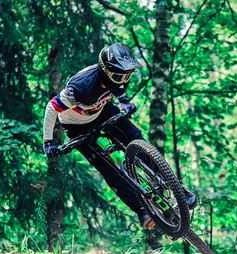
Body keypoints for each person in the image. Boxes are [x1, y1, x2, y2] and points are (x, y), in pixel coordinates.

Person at [42, 43, 197, 230]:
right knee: (110, 171)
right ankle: (143, 211)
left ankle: (176, 188)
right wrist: (48, 142)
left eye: (127, 75)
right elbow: (52, 107)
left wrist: (124, 102)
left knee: (137, 139)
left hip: (103, 112)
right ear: (105, 71)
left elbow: (118, 87)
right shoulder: (81, 87)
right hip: (76, 127)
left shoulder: (117, 77)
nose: (122, 80)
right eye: (118, 76)